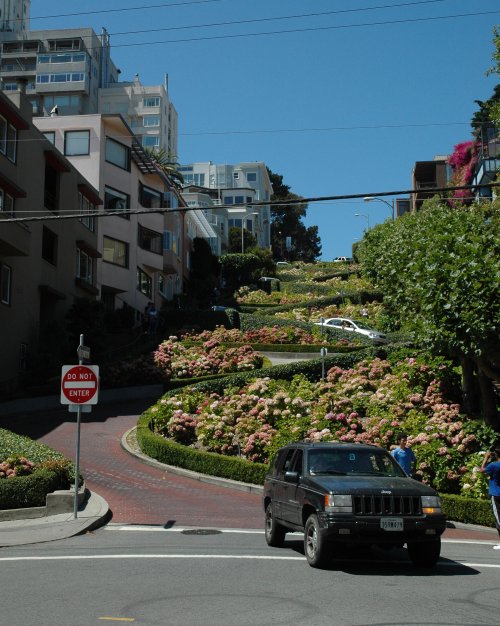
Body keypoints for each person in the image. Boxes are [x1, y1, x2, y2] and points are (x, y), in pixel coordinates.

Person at [479, 445, 500, 549]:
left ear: (496, 454)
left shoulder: (494, 465)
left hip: (496, 494)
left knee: (498, 519)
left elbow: (482, 471)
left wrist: (486, 458)